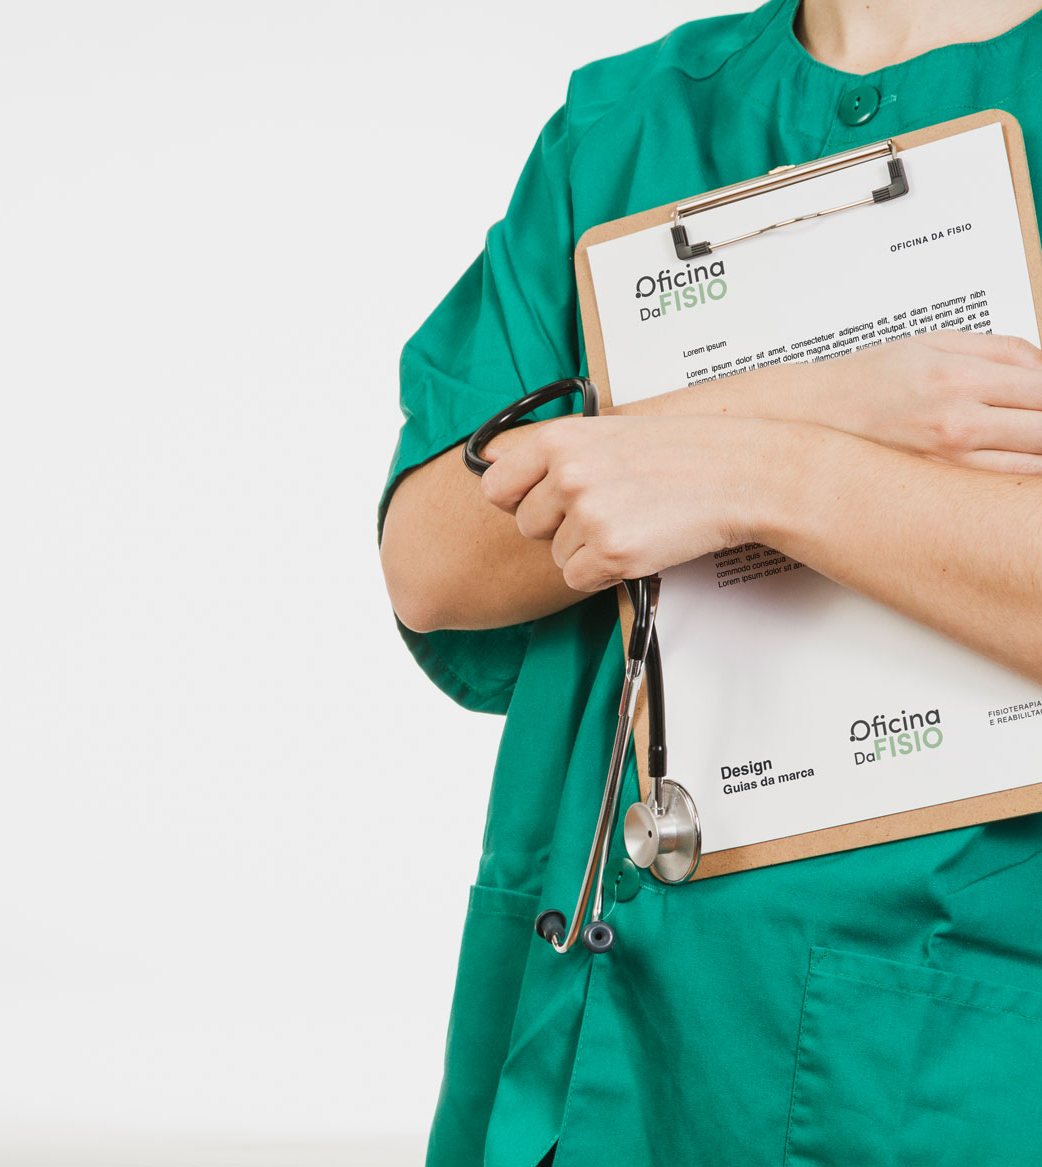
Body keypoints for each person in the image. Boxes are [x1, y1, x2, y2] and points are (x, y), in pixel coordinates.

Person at [378, 0, 1042, 1163]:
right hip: (589, 1026)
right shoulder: (625, 123)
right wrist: (813, 402)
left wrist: (770, 475)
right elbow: (430, 563)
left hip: (942, 1059)